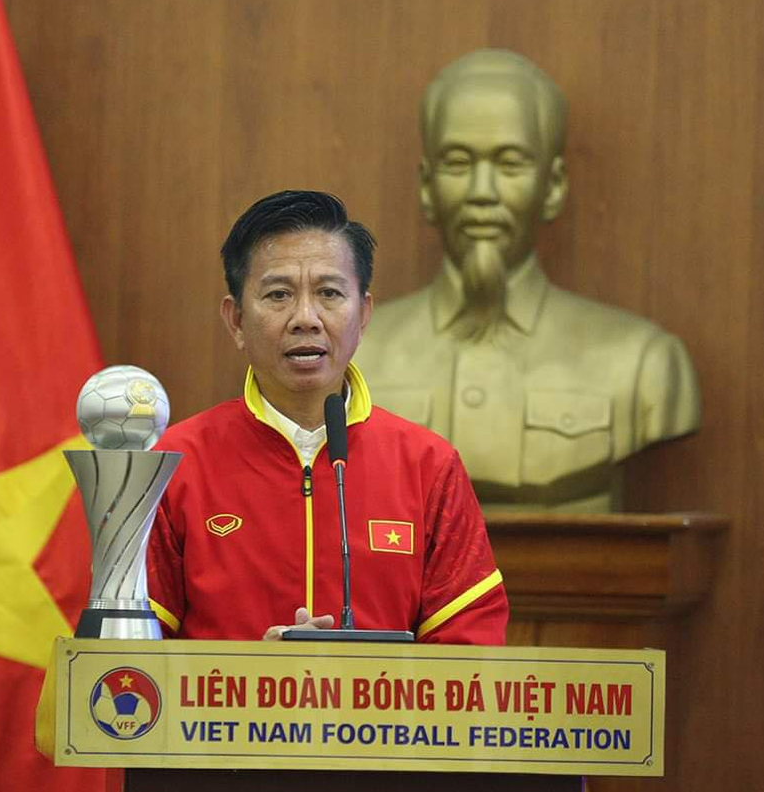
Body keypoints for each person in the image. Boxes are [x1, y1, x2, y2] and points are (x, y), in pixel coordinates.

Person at [146, 190, 508, 644]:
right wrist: (247, 674)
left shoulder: (427, 466)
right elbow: (133, 658)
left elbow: (469, 646)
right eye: (278, 295)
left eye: (329, 293)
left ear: (364, 315)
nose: (306, 318)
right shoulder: (175, 464)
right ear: (236, 320)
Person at [355, 49, 701, 513]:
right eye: (457, 162)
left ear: (553, 186)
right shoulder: (352, 357)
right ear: (427, 187)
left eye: (510, 164)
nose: (482, 192)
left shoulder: (643, 364)